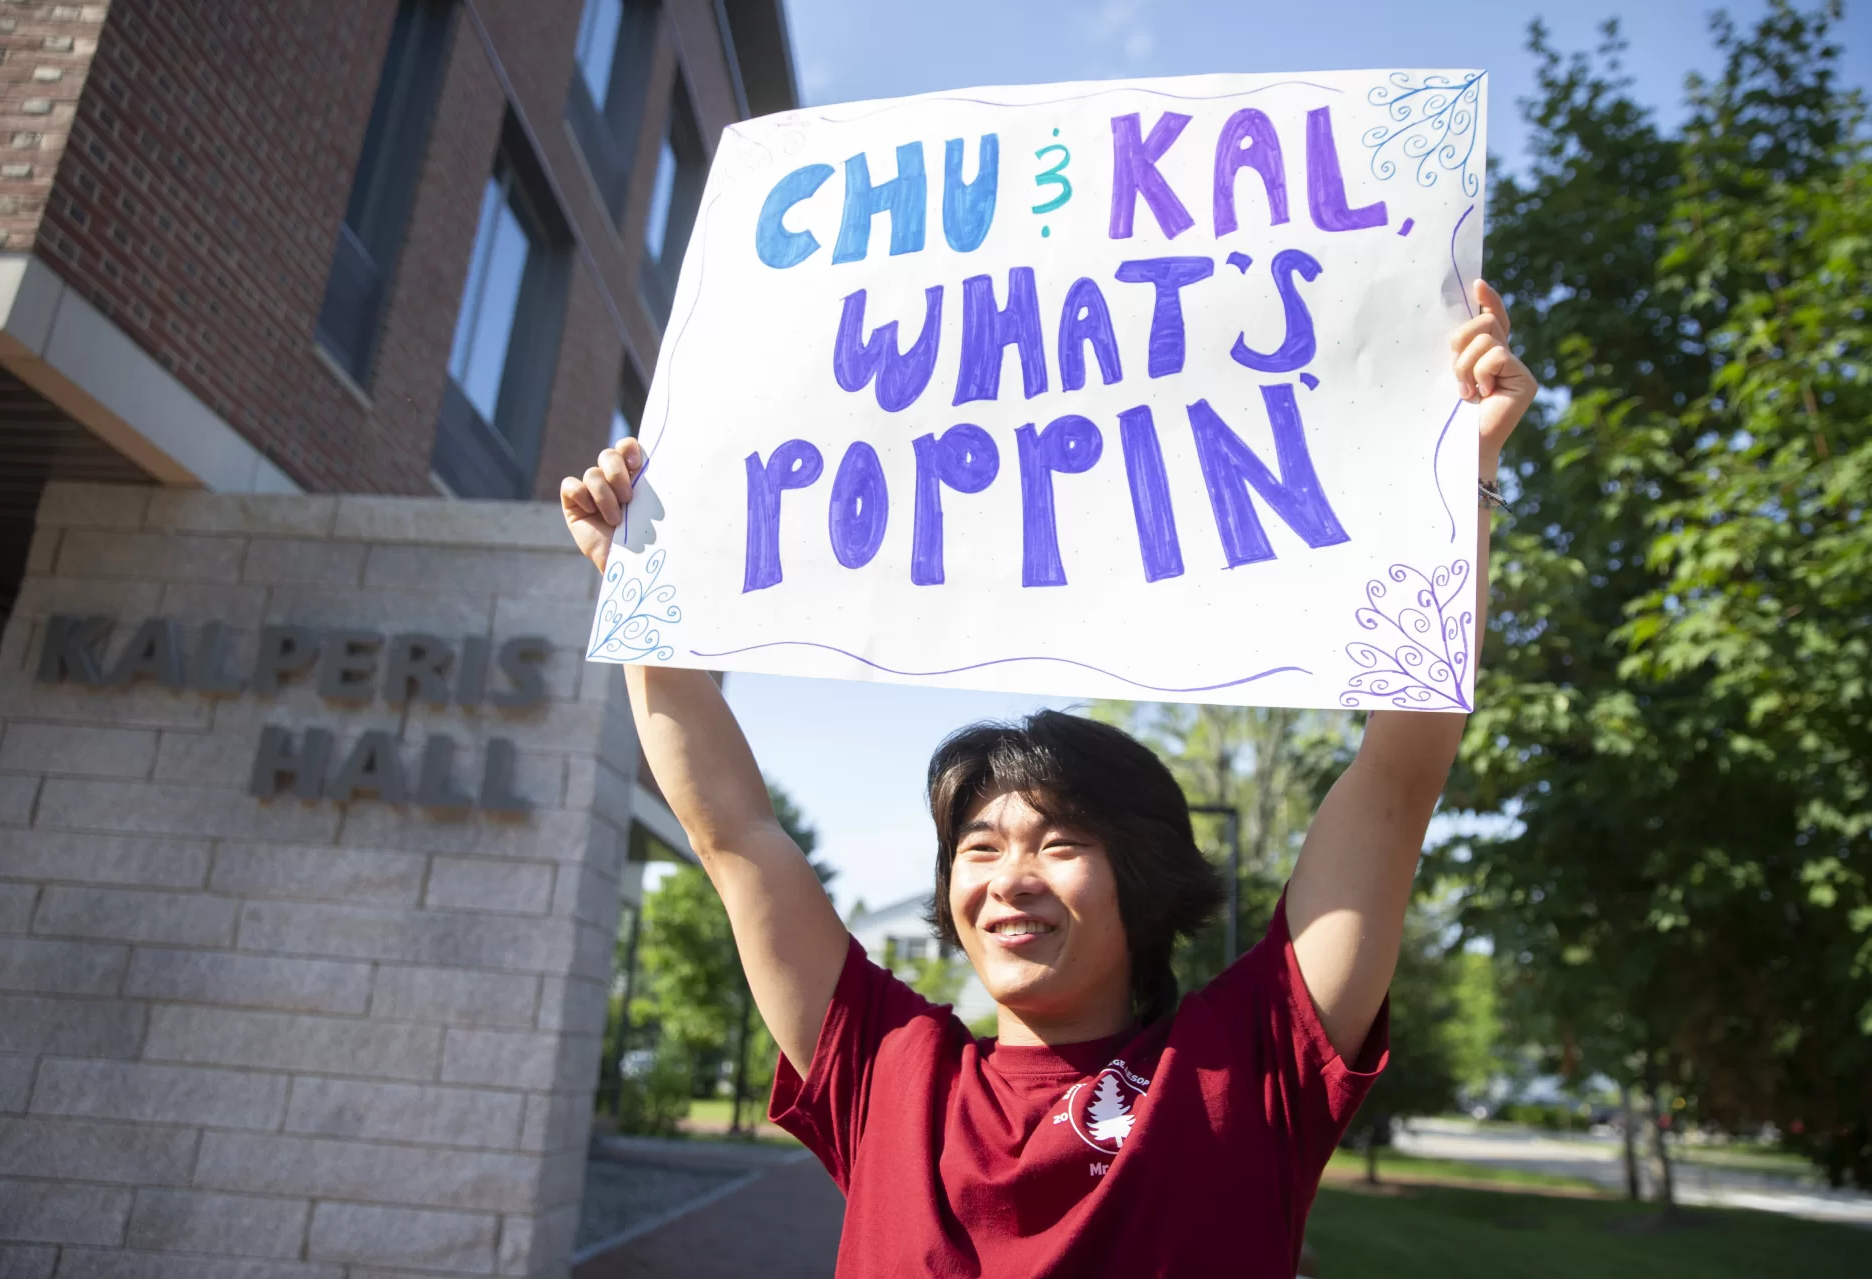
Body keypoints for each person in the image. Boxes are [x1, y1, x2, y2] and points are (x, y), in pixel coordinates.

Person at [560, 282, 1536, 1277]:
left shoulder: (1249, 1063)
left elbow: (1393, 781)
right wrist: (642, 600)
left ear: (1143, 877)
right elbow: (736, 836)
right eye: (978, 847)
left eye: (1058, 843)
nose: (1008, 875)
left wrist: (1461, 479)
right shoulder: (885, 1074)